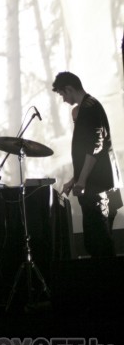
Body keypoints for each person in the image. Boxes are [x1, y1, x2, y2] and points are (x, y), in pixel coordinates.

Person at [52, 71, 121, 257]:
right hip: (98, 185)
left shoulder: (89, 108)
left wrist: (81, 181)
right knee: (96, 241)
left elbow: (94, 148)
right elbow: (89, 153)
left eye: (62, 94)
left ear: (69, 89)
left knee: (99, 243)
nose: (63, 99)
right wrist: (74, 180)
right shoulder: (88, 107)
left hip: (97, 186)